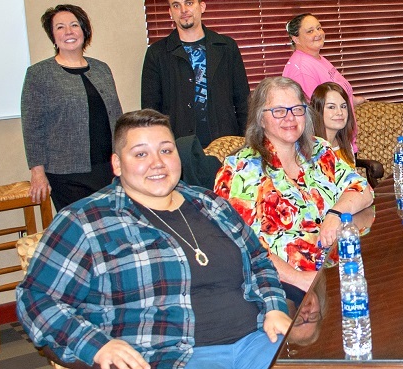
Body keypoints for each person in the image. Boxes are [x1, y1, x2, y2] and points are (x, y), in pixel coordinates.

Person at [16, 110, 291, 369]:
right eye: (140, 154)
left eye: (166, 150)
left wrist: (274, 307)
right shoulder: (85, 221)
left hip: (259, 340)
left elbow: (258, 261)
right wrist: (97, 347)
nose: (157, 163)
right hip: (172, 356)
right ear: (116, 163)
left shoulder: (211, 204)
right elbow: (36, 298)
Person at [214, 76, 374, 305]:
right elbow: (242, 247)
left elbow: (363, 190)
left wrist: (336, 213)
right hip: (284, 288)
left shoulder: (320, 151)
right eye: (278, 111)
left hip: (335, 270)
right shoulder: (240, 171)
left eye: (297, 109)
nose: (290, 118)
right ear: (260, 117)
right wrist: (300, 280)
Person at [21, 4, 123, 211]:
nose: (68, 32)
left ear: (84, 31)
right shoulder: (39, 74)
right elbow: (32, 128)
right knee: (80, 231)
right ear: (53, 36)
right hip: (66, 175)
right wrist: (37, 172)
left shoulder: (102, 69)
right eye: (60, 27)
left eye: (74, 25)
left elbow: (117, 116)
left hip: (108, 169)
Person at [141, 0, 250, 147]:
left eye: (189, 3)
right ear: (170, 13)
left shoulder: (226, 47)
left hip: (225, 142)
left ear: (202, 6)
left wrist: (248, 140)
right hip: (179, 144)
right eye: (176, 5)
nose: (183, 10)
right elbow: (150, 109)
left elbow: (243, 101)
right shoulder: (157, 54)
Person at [282, 13, 366, 105]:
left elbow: (337, 95)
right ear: (296, 39)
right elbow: (315, 109)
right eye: (310, 31)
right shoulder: (302, 69)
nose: (318, 33)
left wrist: (355, 100)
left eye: (319, 28)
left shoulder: (318, 59)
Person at [309, 82, 358, 167]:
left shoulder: (346, 144)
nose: (340, 112)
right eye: (331, 107)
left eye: (343, 106)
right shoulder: (310, 149)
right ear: (318, 110)